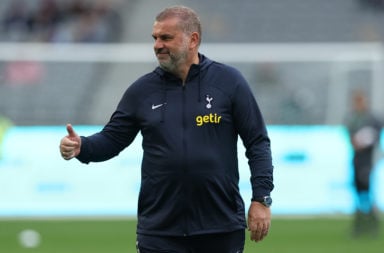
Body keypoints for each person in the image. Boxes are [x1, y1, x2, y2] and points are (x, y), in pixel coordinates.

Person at [59, 5, 274, 252]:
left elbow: (257, 143)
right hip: (159, 231)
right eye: (155, 38)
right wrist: (82, 146)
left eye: (166, 38)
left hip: (220, 227)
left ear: (193, 40)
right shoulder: (142, 91)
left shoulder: (229, 82)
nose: (157, 45)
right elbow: (112, 139)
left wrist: (261, 199)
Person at [345, 90, 382, 237]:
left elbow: (375, 136)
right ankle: (360, 223)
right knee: (357, 190)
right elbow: (350, 136)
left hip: (368, 159)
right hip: (357, 159)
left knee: (367, 190)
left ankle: (372, 223)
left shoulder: (372, 118)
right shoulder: (352, 118)